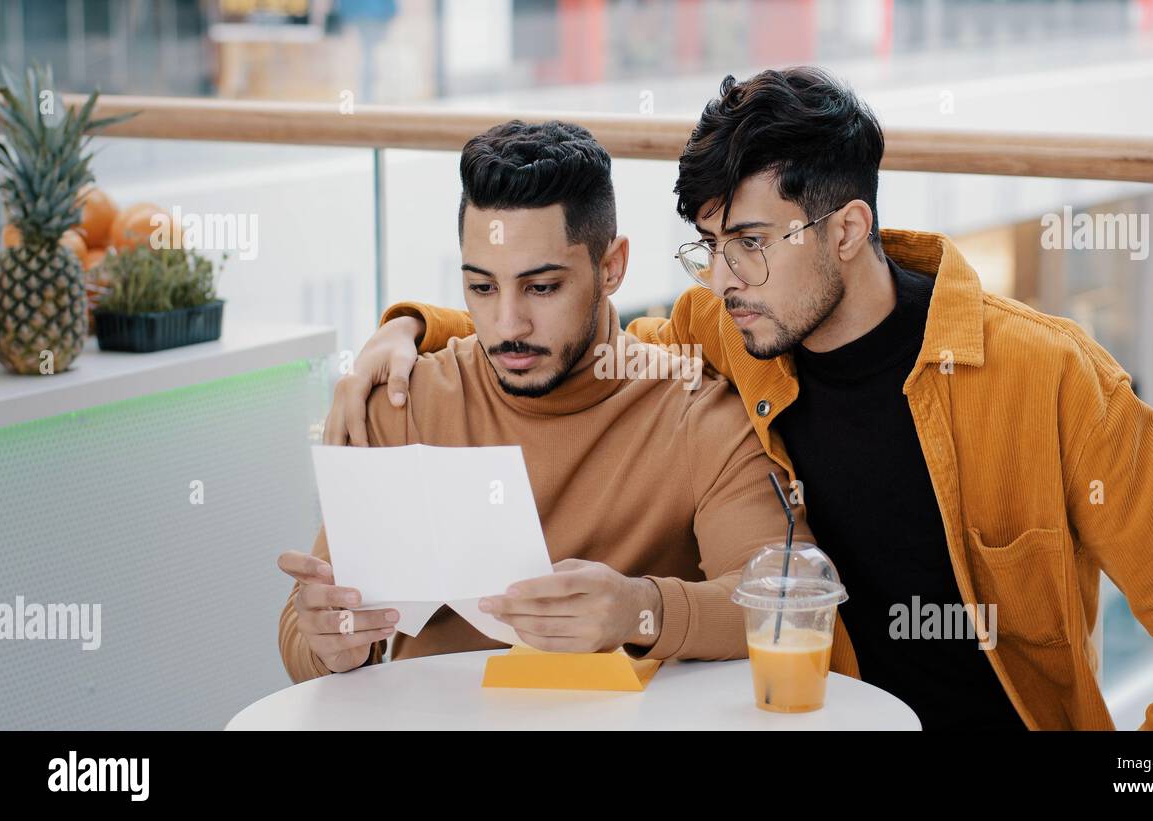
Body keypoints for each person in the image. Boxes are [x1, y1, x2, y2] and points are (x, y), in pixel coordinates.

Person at [328, 68, 1153, 729]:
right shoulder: (730, 337)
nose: (720, 277)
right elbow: (565, 332)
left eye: (749, 242)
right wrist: (407, 328)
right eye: (709, 245)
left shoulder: (1049, 381)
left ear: (847, 230)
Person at [277, 119, 818, 683]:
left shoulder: (696, 416)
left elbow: (787, 603)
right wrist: (328, 640)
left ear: (612, 267)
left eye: (542, 287)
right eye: (482, 288)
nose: (508, 324)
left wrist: (643, 609)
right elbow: (305, 631)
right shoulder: (400, 401)